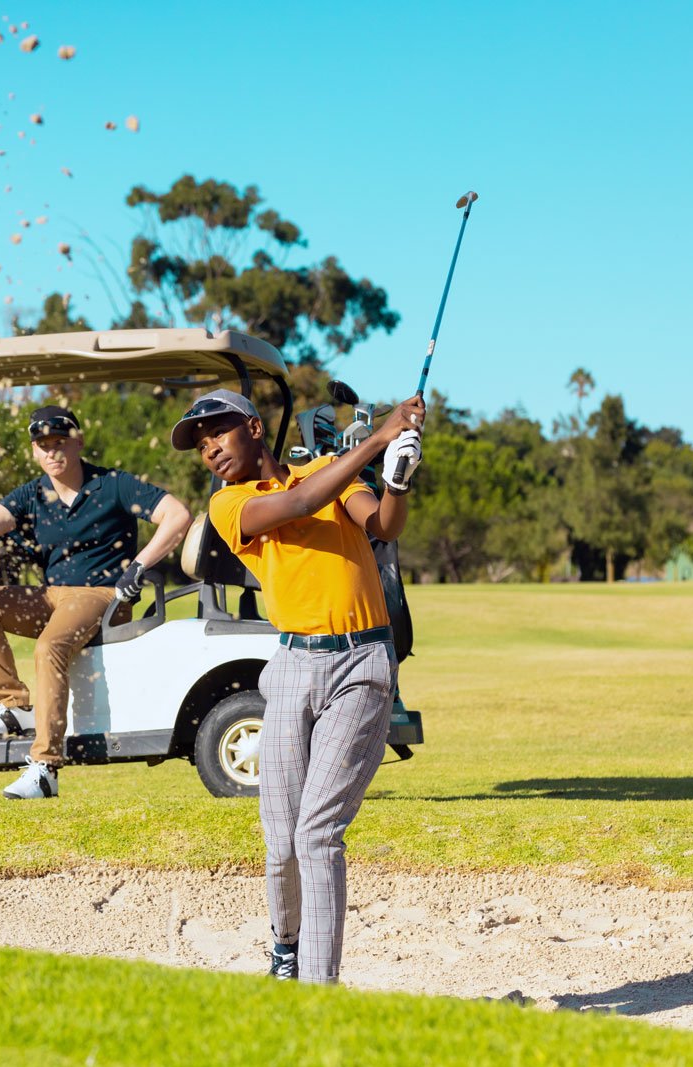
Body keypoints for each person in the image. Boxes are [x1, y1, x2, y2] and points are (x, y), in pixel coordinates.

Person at [169, 387, 425, 984]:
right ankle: (285, 944)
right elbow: (303, 498)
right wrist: (377, 438)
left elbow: (382, 527)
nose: (209, 449)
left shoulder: (329, 472)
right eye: (200, 444)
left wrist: (398, 479)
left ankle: (318, 989)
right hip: (289, 669)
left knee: (317, 832)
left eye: (218, 433)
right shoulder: (230, 507)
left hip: (361, 665)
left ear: (254, 429)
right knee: (280, 838)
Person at [0, 404, 192, 800]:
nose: (52, 452)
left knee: (50, 646)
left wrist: (138, 566)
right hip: (53, 595)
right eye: (43, 445)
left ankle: (45, 767)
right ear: (34, 451)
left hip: (103, 595)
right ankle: (12, 704)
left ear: (78, 442)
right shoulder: (33, 493)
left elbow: (177, 514)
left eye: (60, 442)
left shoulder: (113, 484)